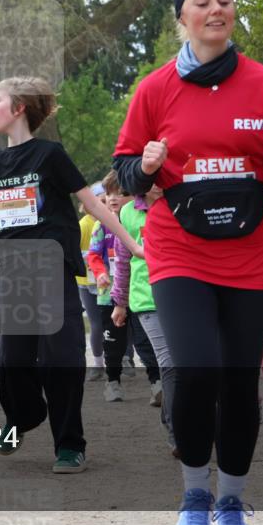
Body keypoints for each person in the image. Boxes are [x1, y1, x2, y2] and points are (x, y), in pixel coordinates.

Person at [113, 0, 263, 525]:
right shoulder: (154, 89)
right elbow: (124, 171)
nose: (216, 9)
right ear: (182, 16)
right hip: (179, 249)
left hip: (253, 252)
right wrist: (145, 166)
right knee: (196, 370)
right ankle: (193, 498)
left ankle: (230, 501)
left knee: (237, 378)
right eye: (202, 1)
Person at [0, 75, 142, 475]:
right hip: (15, 273)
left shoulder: (50, 155)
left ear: (18, 108)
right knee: (12, 358)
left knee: (60, 359)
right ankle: (22, 417)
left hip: (52, 268)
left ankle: (69, 445)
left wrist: (132, 244)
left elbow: (94, 206)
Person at [111, 183, 178, 454]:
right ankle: (177, 434)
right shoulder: (128, 212)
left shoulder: (181, 202)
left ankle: (178, 419)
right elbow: (122, 260)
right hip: (147, 299)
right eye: (151, 180)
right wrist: (120, 303)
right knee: (170, 363)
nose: (158, 186)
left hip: (184, 295)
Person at [88, 170, 161, 403]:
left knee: (144, 341)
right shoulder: (102, 227)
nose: (113, 198)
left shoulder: (144, 216)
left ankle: (156, 383)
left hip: (141, 295)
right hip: (109, 295)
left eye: (120, 193)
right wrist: (100, 274)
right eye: (109, 194)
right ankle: (112, 382)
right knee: (113, 342)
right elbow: (94, 256)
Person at [78, 184, 106, 381]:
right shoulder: (83, 225)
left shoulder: (113, 220)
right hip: (87, 282)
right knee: (96, 323)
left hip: (110, 280)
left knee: (120, 321)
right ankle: (97, 364)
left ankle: (126, 358)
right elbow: (72, 253)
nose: (103, 205)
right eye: (100, 201)